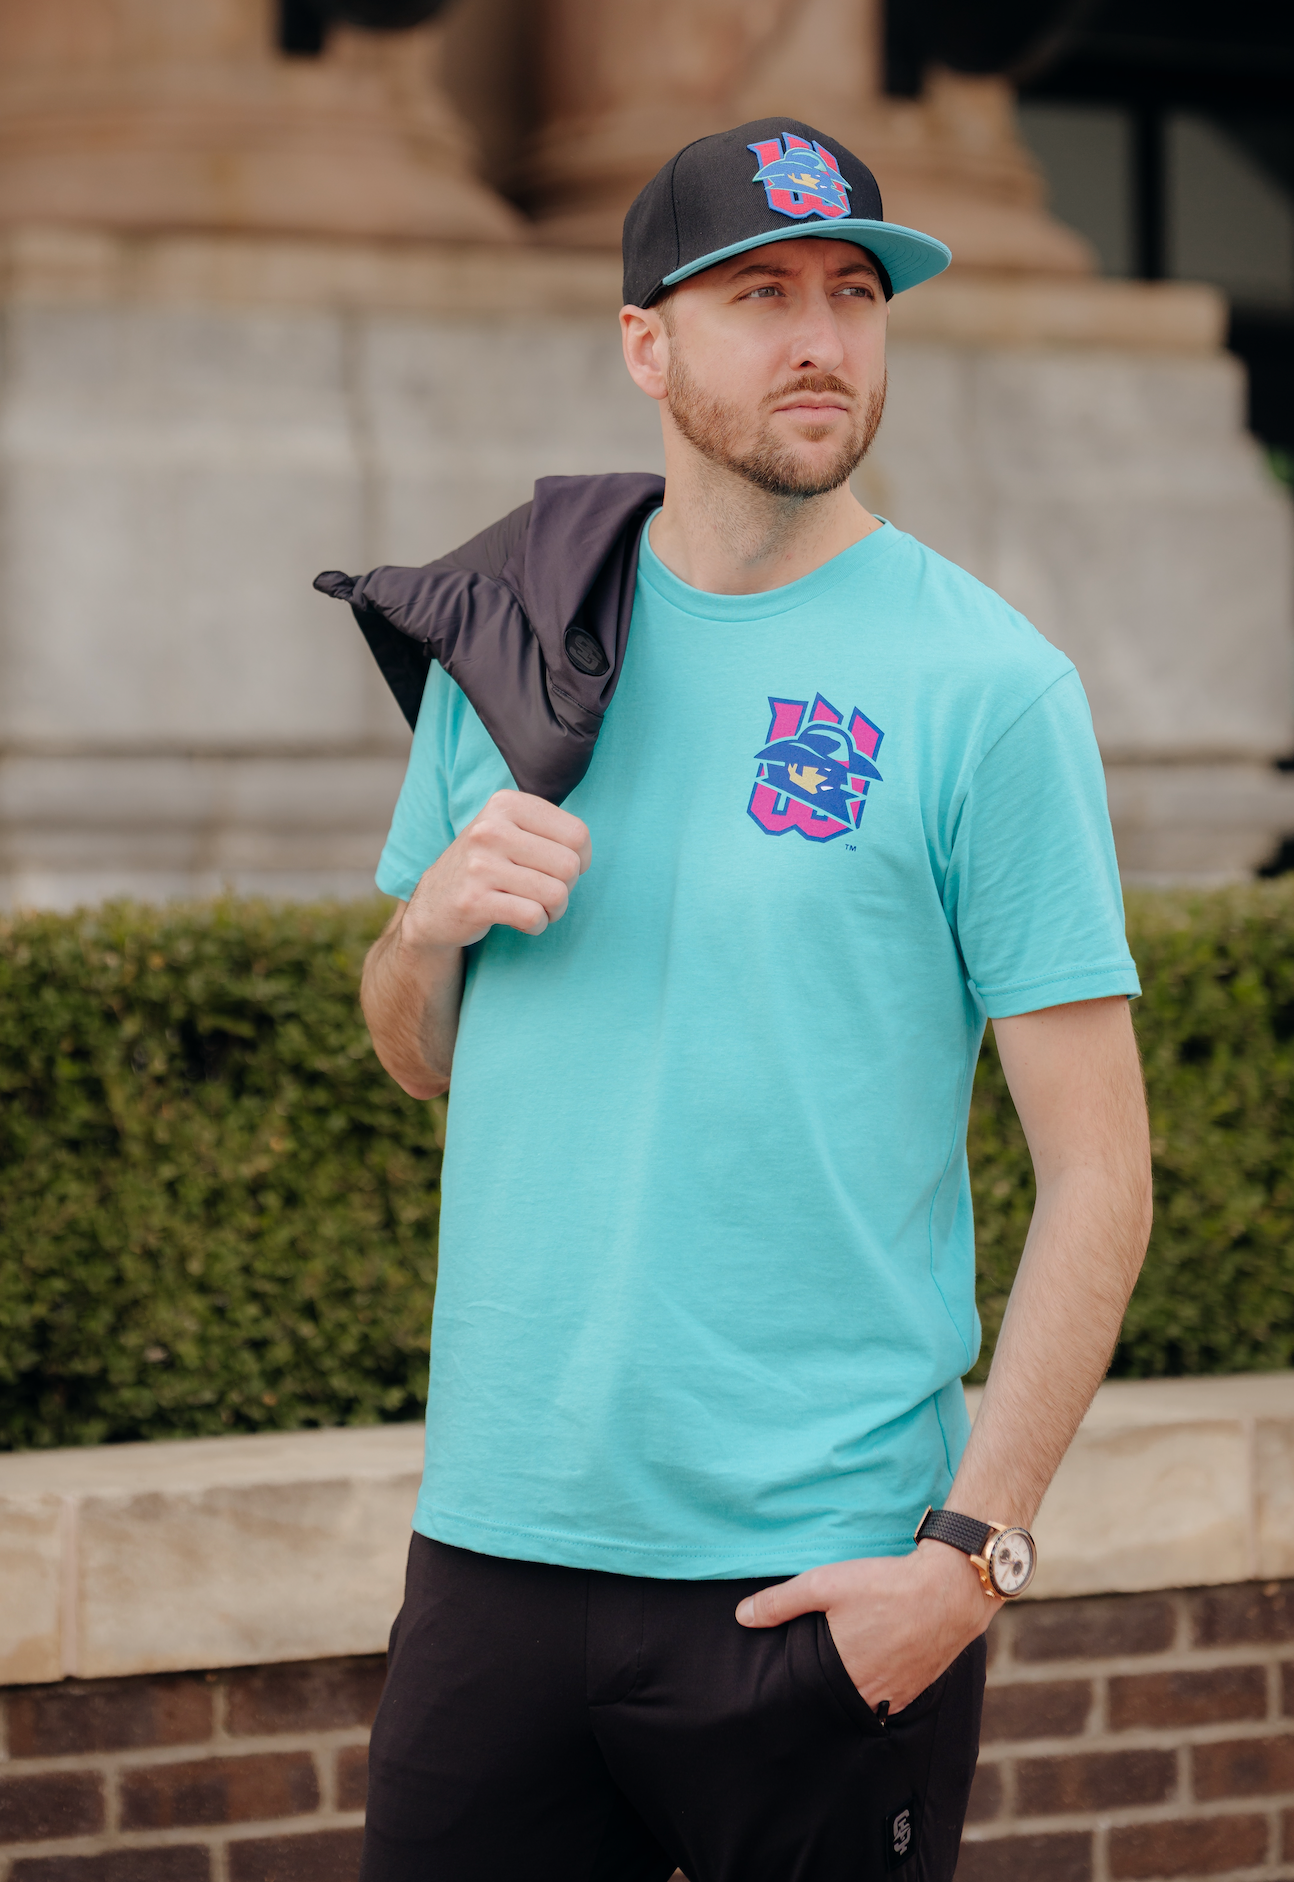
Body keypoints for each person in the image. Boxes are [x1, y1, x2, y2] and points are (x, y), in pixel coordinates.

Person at [351, 118, 1152, 1882]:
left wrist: (967, 1559)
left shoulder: (986, 689)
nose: (821, 339)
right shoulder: (517, 639)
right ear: (644, 342)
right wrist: (426, 936)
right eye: (759, 294)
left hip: (819, 1584)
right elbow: (416, 1054)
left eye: (854, 294)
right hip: (498, 1551)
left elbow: (1100, 1173)